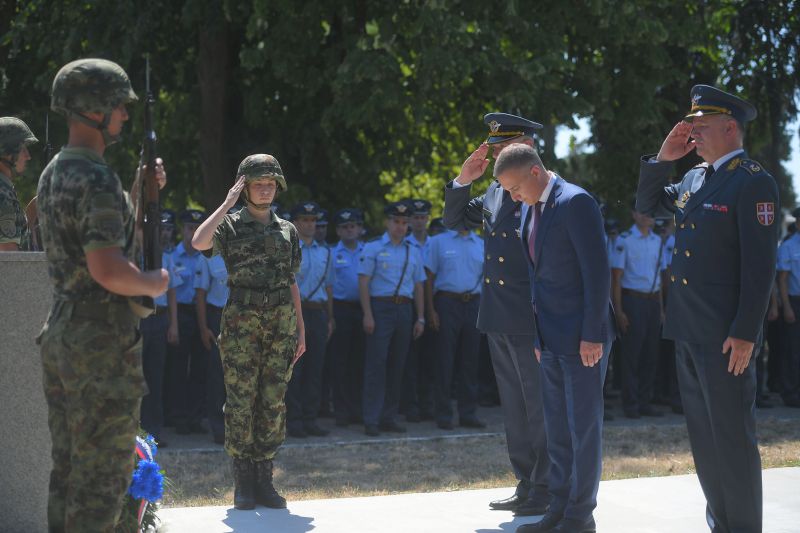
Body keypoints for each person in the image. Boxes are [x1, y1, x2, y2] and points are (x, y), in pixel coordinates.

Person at [636, 84, 778, 533]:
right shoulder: (694, 178)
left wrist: (746, 332)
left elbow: (760, 267)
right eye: (692, 125)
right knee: (704, 439)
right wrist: (663, 159)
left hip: (725, 336)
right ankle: (722, 523)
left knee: (732, 439)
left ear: (730, 127)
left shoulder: (753, 181)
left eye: (702, 125)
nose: (693, 132)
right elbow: (647, 205)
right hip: (687, 327)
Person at [36, 58, 169, 532]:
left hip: (65, 330)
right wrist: (153, 282)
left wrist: (136, 189)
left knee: (70, 473)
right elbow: (108, 269)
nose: (125, 115)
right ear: (95, 109)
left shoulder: (56, 171)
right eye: (119, 106)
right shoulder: (96, 178)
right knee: (103, 483)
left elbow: (97, 236)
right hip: (99, 343)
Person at [493, 144, 614, 533]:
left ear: (534, 172)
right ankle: (558, 509)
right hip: (549, 337)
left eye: (515, 189)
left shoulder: (575, 202)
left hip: (582, 339)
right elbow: (537, 277)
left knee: (582, 430)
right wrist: (539, 335)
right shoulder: (532, 208)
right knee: (557, 431)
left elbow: (597, 273)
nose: (513, 198)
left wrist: (592, 334)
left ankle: (580, 515)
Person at [443, 112, 550, 516]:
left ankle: (546, 484)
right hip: (497, 314)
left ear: (528, 146)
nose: (498, 154)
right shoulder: (492, 193)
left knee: (537, 405)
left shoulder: (544, 191)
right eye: (495, 148)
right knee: (514, 406)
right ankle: (526, 481)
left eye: (506, 146)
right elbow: (452, 219)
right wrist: (463, 179)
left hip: (529, 315)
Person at [192, 153, 305, 510]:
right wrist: (226, 204)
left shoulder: (287, 230)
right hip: (242, 324)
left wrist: (301, 331)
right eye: (258, 184)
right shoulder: (229, 225)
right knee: (241, 401)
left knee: (273, 401)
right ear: (245, 188)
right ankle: (242, 480)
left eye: (271, 184)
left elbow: (292, 282)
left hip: (281, 324)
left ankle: (263, 478)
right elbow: (198, 242)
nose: (266, 190)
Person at [358, 200, 426, 436]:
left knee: (398, 365)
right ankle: (371, 418)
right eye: (396, 221)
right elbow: (363, 282)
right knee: (376, 365)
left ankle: (389, 416)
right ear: (387, 223)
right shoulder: (373, 247)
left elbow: (419, 285)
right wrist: (367, 314)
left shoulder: (413, 250)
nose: (400, 226)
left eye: (404, 222)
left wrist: (421, 317)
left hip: (404, 309)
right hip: (381, 308)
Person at [425, 226, 485, 429]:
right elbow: (429, 278)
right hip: (447, 302)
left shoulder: (481, 244)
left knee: (471, 361)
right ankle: (443, 414)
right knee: (444, 360)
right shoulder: (438, 241)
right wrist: (431, 310)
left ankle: (468, 413)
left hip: (474, 303)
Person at [611, 204, 667, 418]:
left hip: (652, 301)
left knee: (651, 354)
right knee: (631, 355)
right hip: (632, 301)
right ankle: (631, 404)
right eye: (642, 212)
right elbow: (616, 278)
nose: (647, 217)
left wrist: (661, 309)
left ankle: (645, 401)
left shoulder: (657, 241)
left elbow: (659, 277)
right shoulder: (625, 240)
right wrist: (619, 310)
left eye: (651, 213)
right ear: (634, 214)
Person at [287, 201, 334, 437]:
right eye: (305, 220)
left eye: (313, 220)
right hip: (296, 313)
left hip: (318, 312)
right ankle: (293, 421)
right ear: (295, 223)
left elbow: (329, 288)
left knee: (315, 369)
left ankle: (310, 419)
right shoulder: (287, 250)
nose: (310, 224)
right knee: (295, 370)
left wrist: (330, 317)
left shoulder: (325, 252)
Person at [140, 209, 181, 446]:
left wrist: (174, 325)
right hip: (138, 319)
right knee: (136, 377)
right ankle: (134, 431)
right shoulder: (133, 257)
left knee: (155, 378)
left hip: (160, 318)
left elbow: (172, 291)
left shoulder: (165, 257)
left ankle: (154, 431)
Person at [167, 209, 209, 435]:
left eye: (197, 228)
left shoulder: (207, 256)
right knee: (178, 369)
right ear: (182, 229)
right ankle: (178, 416)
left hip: (201, 314)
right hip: (181, 314)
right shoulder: (172, 256)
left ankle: (196, 416)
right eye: (190, 228)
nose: (193, 232)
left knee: (200, 369)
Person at [327, 207, 367, 427]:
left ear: (360, 229)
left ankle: (357, 409)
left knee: (359, 362)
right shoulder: (332, 253)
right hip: (341, 310)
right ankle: (341, 410)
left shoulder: (368, 251)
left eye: (353, 226)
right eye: (344, 227)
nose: (349, 230)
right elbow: (329, 287)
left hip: (363, 310)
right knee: (340, 362)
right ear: (338, 231)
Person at [195, 229, 232, 445]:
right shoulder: (208, 257)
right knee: (218, 376)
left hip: (244, 316)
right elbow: (200, 294)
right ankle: (219, 427)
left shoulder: (248, 253)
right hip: (217, 317)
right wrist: (203, 328)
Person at [402, 198, 436, 422]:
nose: (419, 221)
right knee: (410, 359)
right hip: (409, 304)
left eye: (423, 217)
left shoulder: (436, 243)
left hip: (434, 304)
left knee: (430, 358)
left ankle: (428, 404)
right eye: (415, 217)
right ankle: (410, 405)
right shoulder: (403, 243)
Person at [0, 117, 37, 251]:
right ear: (7, 153)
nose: (28, 156)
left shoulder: (5, 188)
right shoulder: (3, 194)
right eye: (22, 149)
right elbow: (9, 257)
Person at [776, 207, 800, 408]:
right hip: (794, 301)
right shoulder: (788, 246)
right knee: (793, 349)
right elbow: (782, 279)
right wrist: (787, 307)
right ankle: (790, 392)